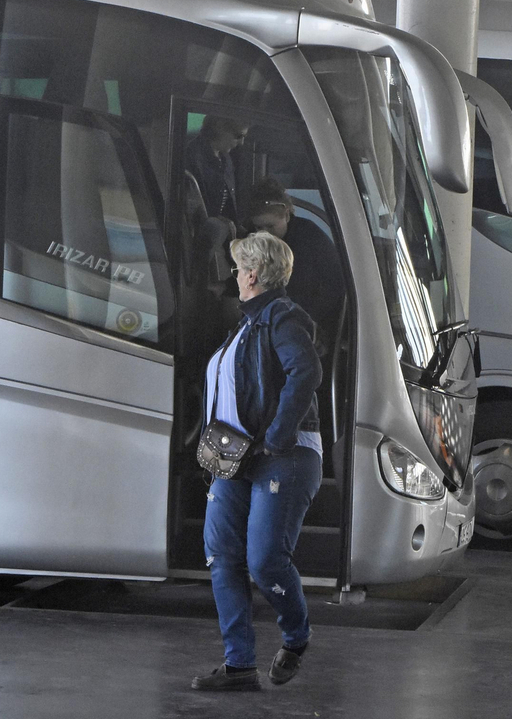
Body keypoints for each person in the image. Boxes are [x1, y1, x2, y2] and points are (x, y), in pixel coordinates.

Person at [191, 232, 323, 693]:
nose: (235, 277)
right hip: (237, 457)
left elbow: (305, 371)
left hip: (280, 455)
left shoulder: (282, 318)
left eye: (237, 270)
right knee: (221, 555)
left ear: (251, 274)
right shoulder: (247, 325)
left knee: (264, 561)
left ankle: (297, 637)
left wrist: (278, 436)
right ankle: (239, 666)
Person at [239, 177, 344, 337]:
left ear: (287, 216)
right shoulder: (250, 240)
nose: (265, 234)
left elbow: (335, 283)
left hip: (309, 318)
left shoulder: (310, 237)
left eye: (270, 226)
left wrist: (308, 319)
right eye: (259, 227)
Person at [185, 115, 248, 224]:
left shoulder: (226, 159)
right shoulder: (192, 156)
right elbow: (193, 208)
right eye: (238, 135)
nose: (241, 142)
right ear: (220, 127)